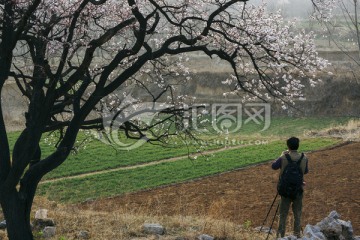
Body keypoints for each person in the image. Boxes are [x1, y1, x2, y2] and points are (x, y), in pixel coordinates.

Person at [271, 137, 309, 238]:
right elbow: (305, 171)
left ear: (288, 146)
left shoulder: (284, 157)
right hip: (298, 190)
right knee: (297, 215)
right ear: (298, 146)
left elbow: (273, 166)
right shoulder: (304, 157)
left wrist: (282, 155)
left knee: (283, 215)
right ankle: (297, 235)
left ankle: (280, 236)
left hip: (285, 191)